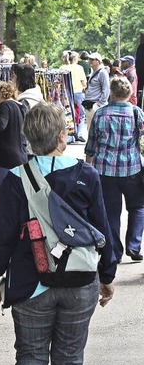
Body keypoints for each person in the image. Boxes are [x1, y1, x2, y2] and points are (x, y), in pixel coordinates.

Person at [0, 102, 116, 365]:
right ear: (61, 136)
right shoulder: (87, 175)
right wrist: (106, 274)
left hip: (30, 282)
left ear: (28, 138)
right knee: (69, 360)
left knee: (30, 355)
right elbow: (102, 230)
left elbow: (4, 236)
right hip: (80, 280)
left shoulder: (16, 179)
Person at [85, 76, 144, 262]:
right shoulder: (136, 113)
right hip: (132, 170)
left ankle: (115, 252)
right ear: (129, 93)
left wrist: (88, 168)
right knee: (138, 207)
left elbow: (91, 145)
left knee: (111, 212)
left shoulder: (100, 114)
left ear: (111, 92)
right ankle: (134, 246)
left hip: (105, 171)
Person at [60, 51, 88, 142]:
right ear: (75, 58)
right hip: (78, 92)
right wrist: (84, 88)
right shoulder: (79, 68)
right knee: (81, 114)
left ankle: (70, 135)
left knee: (69, 114)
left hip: (67, 93)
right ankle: (79, 133)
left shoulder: (63, 67)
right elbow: (83, 82)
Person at [83, 52, 110, 131]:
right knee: (90, 129)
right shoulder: (93, 72)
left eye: (92, 59)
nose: (90, 61)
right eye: (89, 59)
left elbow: (106, 89)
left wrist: (99, 104)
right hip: (90, 105)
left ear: (98, 61)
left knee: (98, 130)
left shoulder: (102, 72)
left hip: (96, 105)